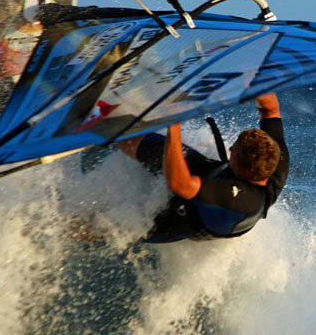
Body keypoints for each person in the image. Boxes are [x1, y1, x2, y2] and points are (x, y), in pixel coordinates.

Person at [118, 93, 288, 242]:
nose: (229, 149)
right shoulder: (274, 153)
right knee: (130, 139)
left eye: (233, 152)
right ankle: (107, 114)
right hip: (207, 172)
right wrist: (250, 80)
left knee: (104, 227)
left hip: (184, 219)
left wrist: (175, 123)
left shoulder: (242, 199)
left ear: (246, 171)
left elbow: (179, 185)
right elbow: (270, 109)